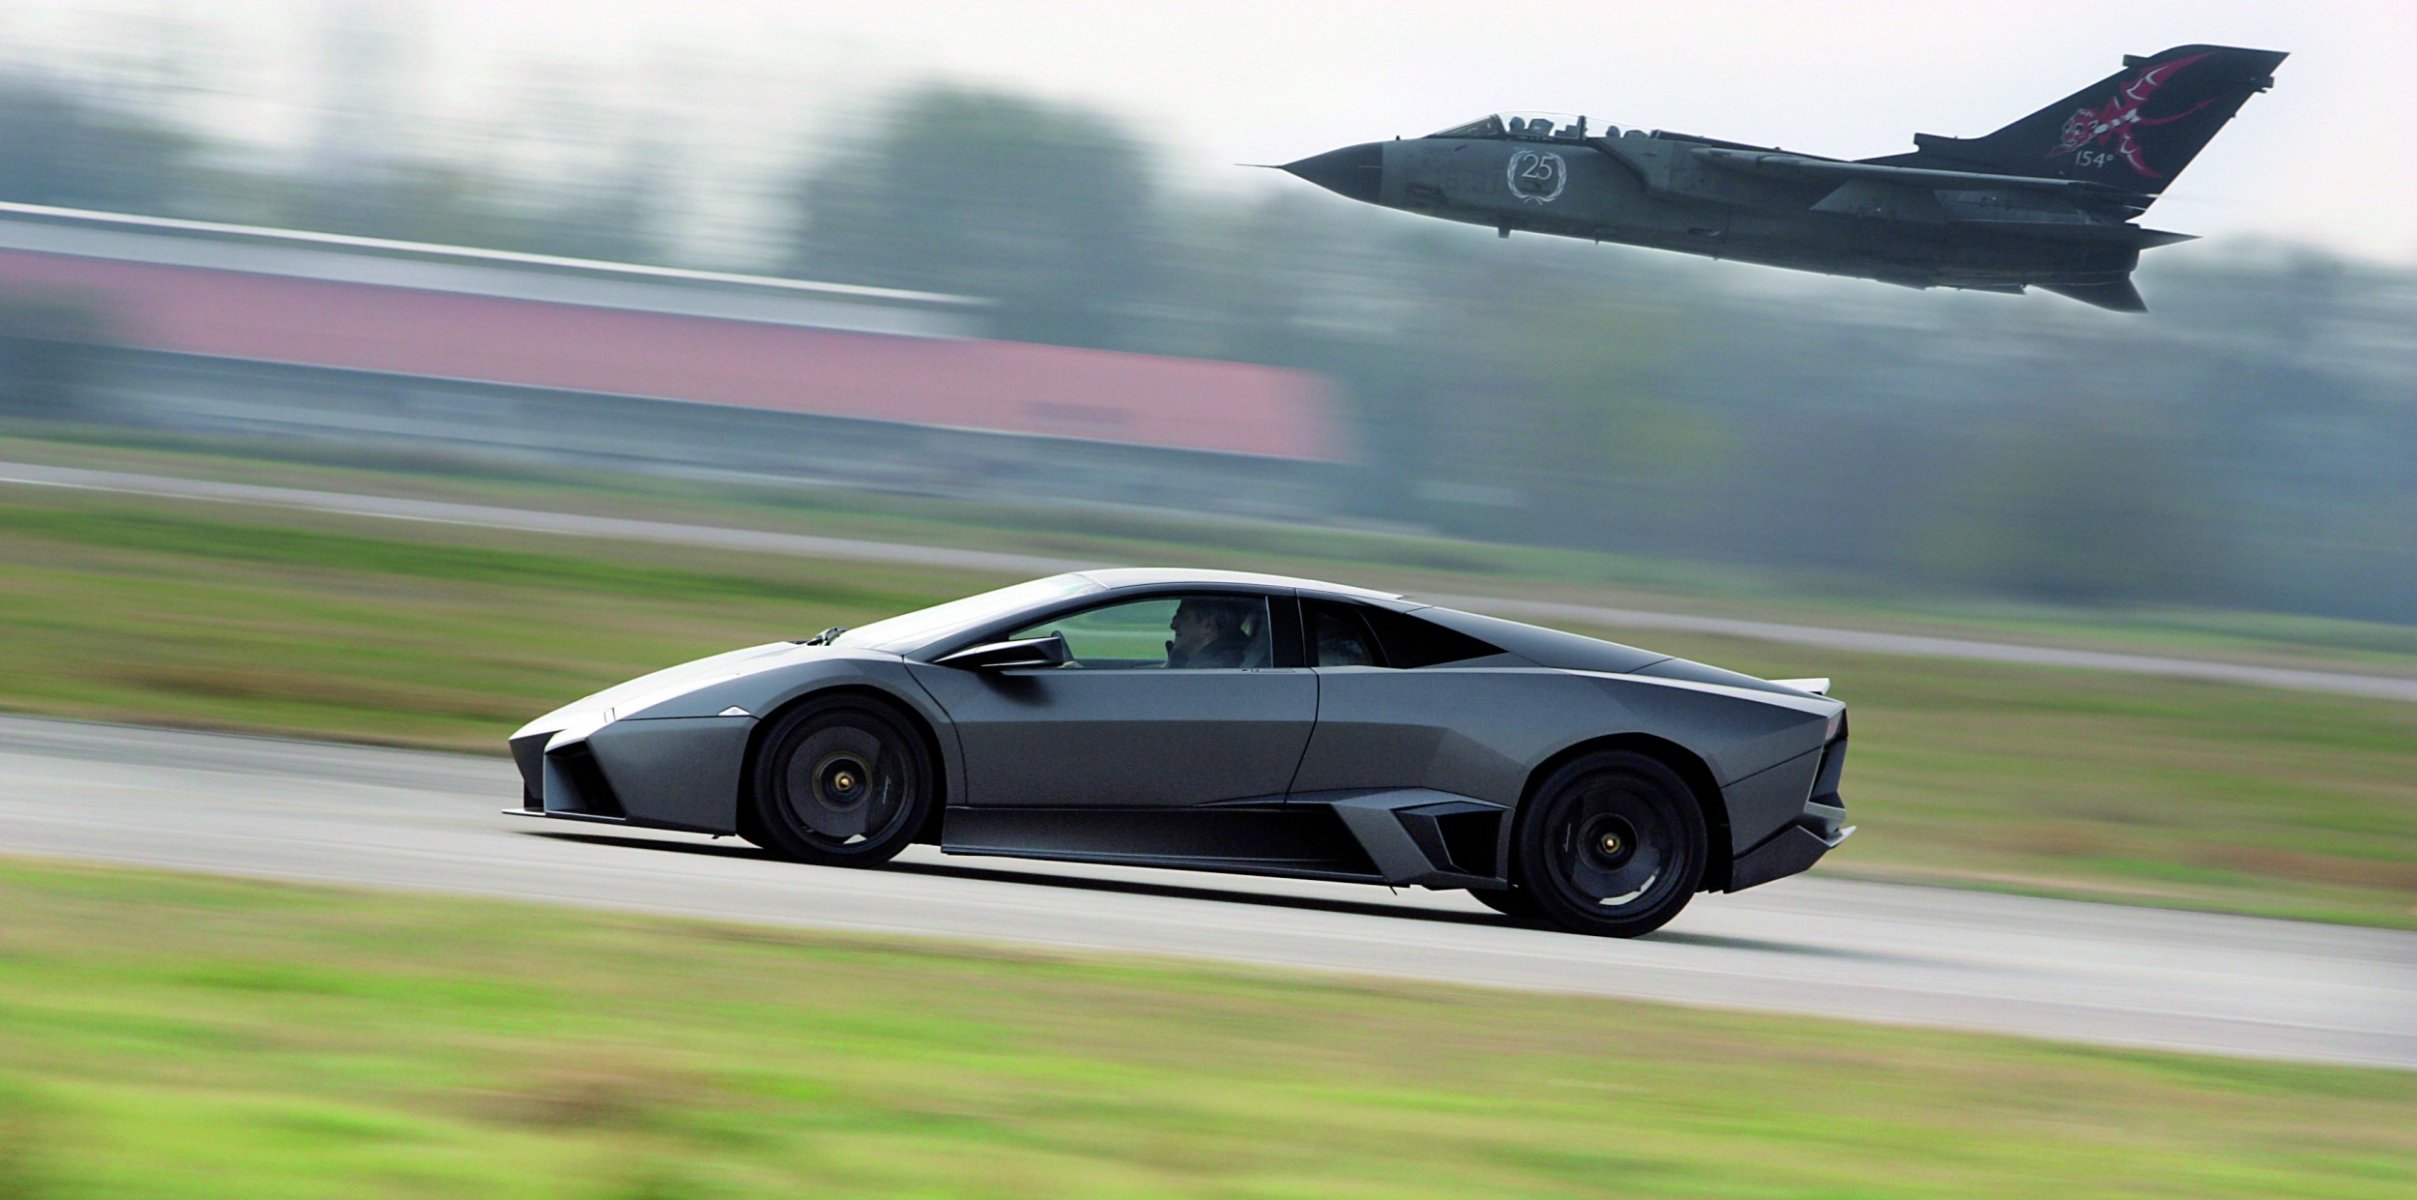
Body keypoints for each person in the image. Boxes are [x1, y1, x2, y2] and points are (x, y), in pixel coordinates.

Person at [1165, 597, 1254, 669]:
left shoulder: (1213, 669)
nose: (1173, 625)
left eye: (1183, 618)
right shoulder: (1207, 664)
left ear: (1208, 626)